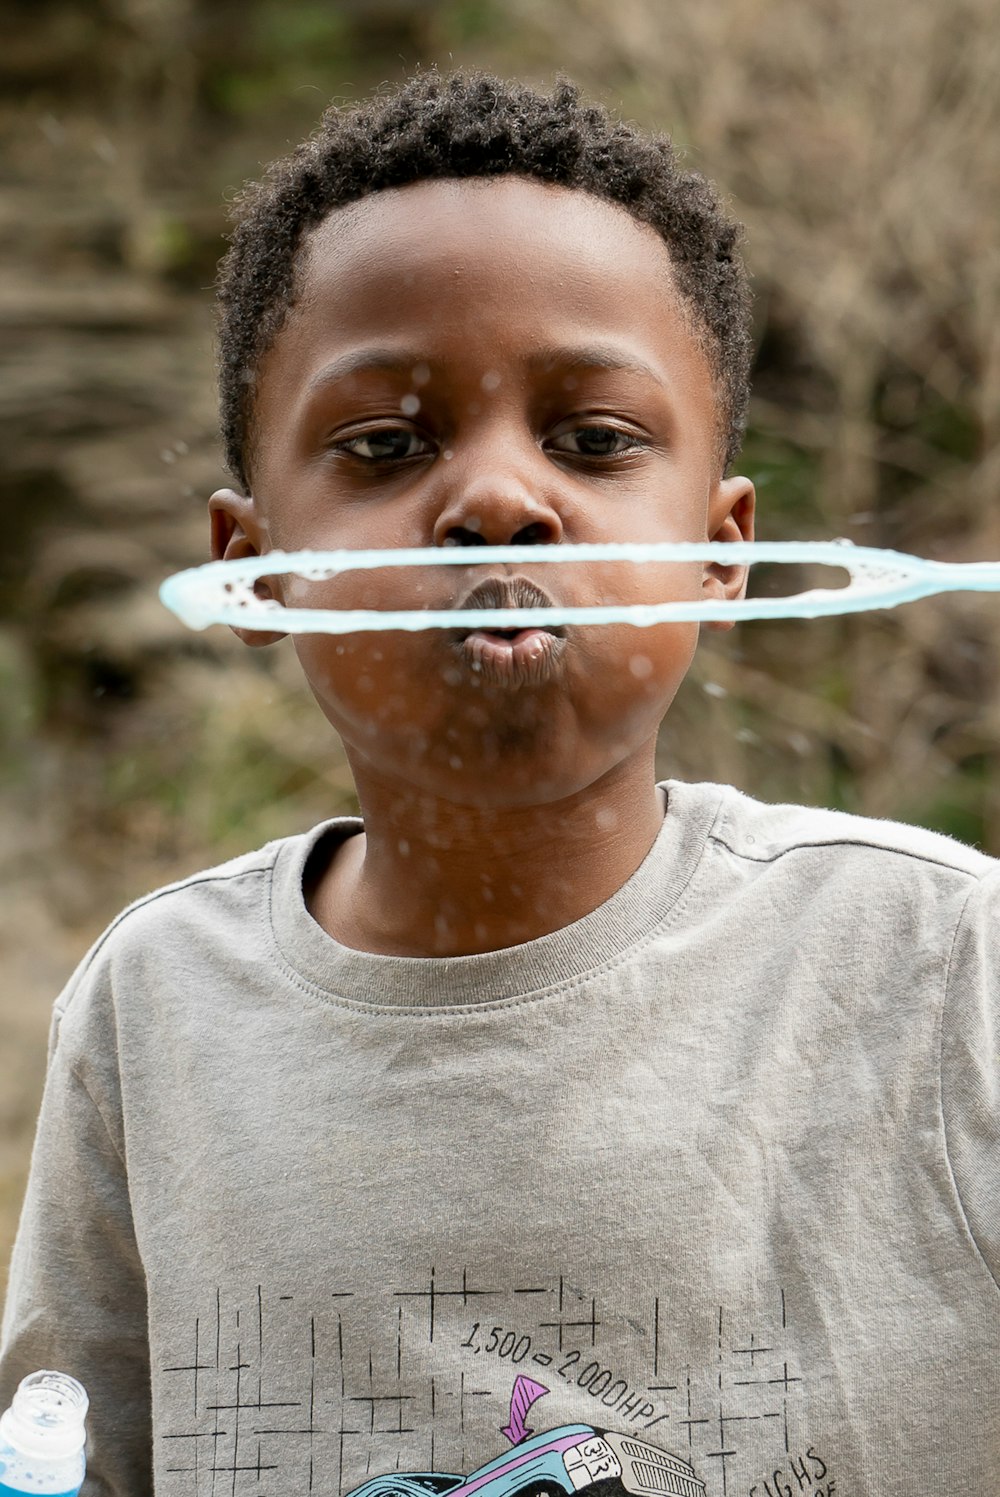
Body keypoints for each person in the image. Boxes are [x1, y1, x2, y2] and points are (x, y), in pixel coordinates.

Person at [1, 69, 996, 1497]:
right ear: (254, 570)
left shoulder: (949, 965)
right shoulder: (154, 1010)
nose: (498, 500)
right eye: (387, 446)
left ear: (723, 554)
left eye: (593, 440)